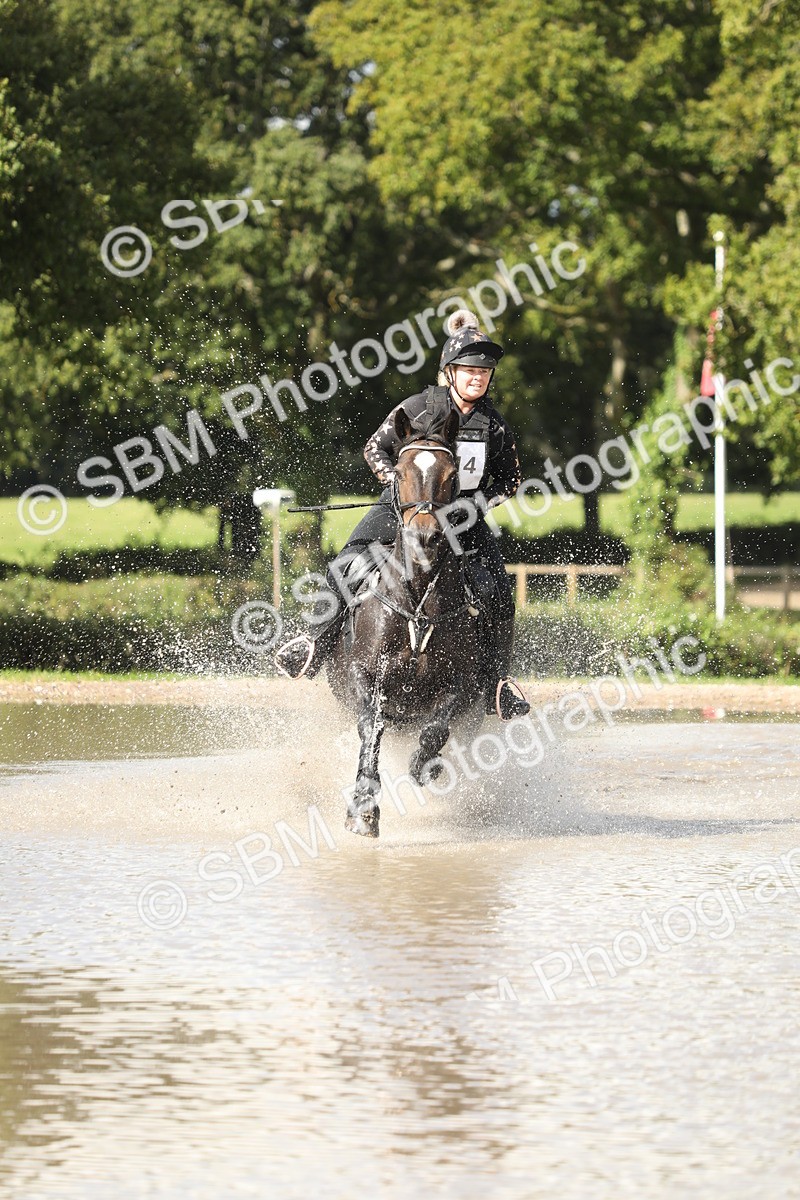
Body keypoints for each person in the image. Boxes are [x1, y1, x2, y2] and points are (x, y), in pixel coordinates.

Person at [275, 309, 530, 720]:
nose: (478, 377)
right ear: (450, 372)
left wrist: (476, 506)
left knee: (497, 590)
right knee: (344, 566)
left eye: (484, 372)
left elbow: (510, 481)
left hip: (461, 519)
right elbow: (375, 448)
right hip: (402, 507)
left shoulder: (495, 426)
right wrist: (397, 483)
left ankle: (497, 684)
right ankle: (313, 643)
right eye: (469, 370)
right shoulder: (418, 408)